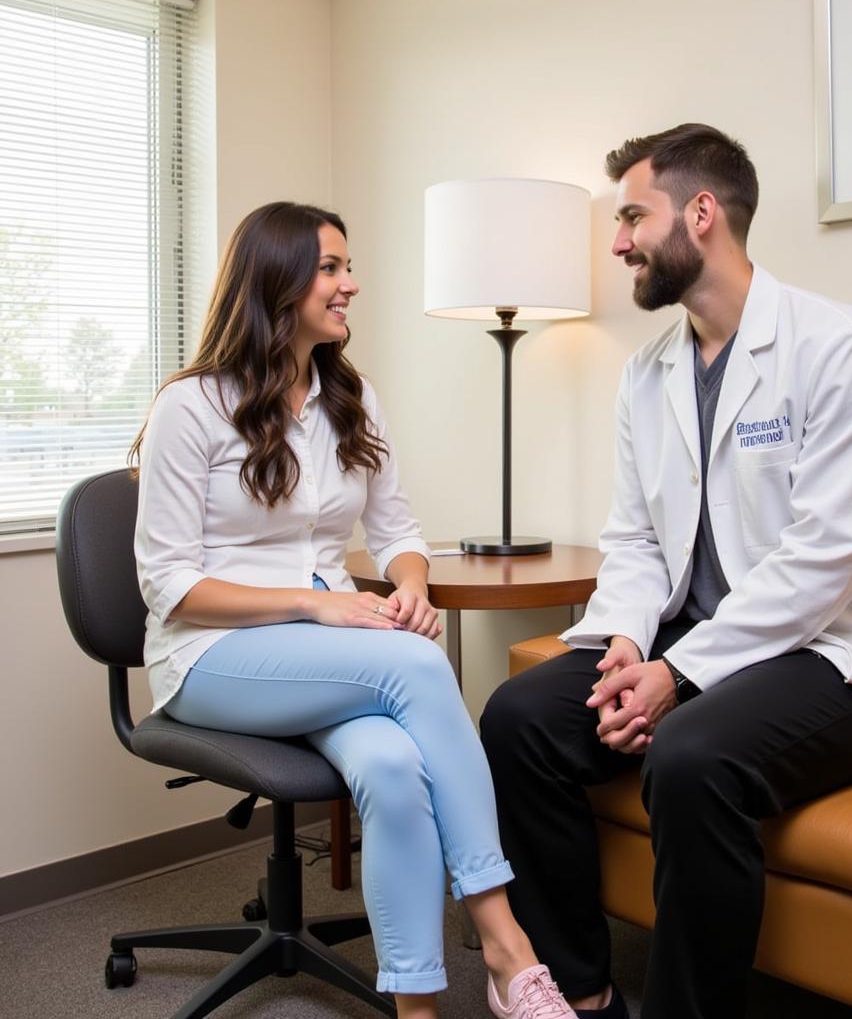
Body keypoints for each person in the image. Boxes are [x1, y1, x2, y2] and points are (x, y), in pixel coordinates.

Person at [480, 124, 852, 1019]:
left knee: (692, 758)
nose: (617, 241)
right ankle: (580, 995)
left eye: (631, 215)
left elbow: (828, 560)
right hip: (696, 651)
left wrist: (676, 675)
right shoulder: (647, 372)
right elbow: (634, 540)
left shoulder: (842, 349)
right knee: (519, 719)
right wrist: (627, 647)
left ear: (701, 214)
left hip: (849, 661)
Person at [131, 201, 576, 1019]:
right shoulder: (190, 408)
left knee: (393, 767)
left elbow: (400, 530)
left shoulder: (352, 397)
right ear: (277, 281)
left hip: (323, 655)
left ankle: (418, 1007)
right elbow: (168, 585)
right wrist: (315, 604)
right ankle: (511, 950)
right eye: (332, 269)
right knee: (415, 662)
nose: (351, 284)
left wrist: (407, 585)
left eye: (347, 267)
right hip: (208, 655)